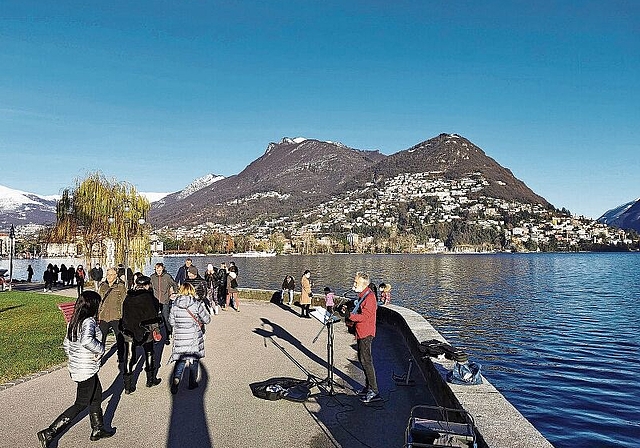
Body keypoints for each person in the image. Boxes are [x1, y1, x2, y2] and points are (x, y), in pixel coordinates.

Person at [36, 291, 115, 447]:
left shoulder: (73, 321)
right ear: (92, 305)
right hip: (86, 369)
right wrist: (100, 350)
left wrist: (75, 358)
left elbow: (67, 344)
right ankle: (49, 433)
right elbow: (87, 341)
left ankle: (98, 429)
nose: (99, 306)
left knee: (96, 395)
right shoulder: (89, 322)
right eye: (98, 303)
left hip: (80, 367)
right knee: (80, 403)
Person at [120, 275, 162, 393]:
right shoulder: (149, 298)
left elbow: (124, 314)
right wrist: (156, 330)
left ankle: (127, 387)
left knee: (128, 356)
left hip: (129, 330)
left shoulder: (128, 297)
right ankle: (150, 380)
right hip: (145, 330)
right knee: (149, 353)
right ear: (147, 285)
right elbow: (153, 316)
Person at [169, 282, 211, 394]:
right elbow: (207, 319)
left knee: (180, 360)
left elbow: (171, 322)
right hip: (193, 337)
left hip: (180, 336)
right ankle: (192, 382)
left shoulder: (175, 305)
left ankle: (176, 378)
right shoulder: (196, 304)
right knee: (193, 359)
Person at [348, 272, 381, 403]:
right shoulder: (363, 295)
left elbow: (365, 317)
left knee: (366, 361)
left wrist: (350, 316)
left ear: (364, 284)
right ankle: (368, 388)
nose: (354, 284)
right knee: (363, 360)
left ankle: (374, 391)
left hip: (366, 333)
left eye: (356, 283)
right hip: (361, 332)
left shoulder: (370, 297)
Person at [97, 267, 127, 363]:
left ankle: (121, 355)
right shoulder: (102, 286)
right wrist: (97, 314)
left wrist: (124, 316)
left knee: (119, 337)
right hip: (104, 316)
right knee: (101, 339)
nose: (109, 276)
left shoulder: (120, 286)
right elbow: (99, 301)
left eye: (111, 275)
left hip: (116, 316)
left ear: (116, 276)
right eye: (108, 274)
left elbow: (124, 301)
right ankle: (99, 357)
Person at [150, 262, 177, 345]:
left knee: (166, 318)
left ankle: (168, 333)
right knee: (155, 319)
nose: (159, 271)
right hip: (155, 301)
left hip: (165, 300)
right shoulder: (152, 277)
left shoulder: (167, 277)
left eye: (160, 270)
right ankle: (155, 336)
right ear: (155, 269)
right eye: (157, 270)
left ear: (163, 269)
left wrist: (174, 292)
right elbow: (149, 286)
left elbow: (174, 284)